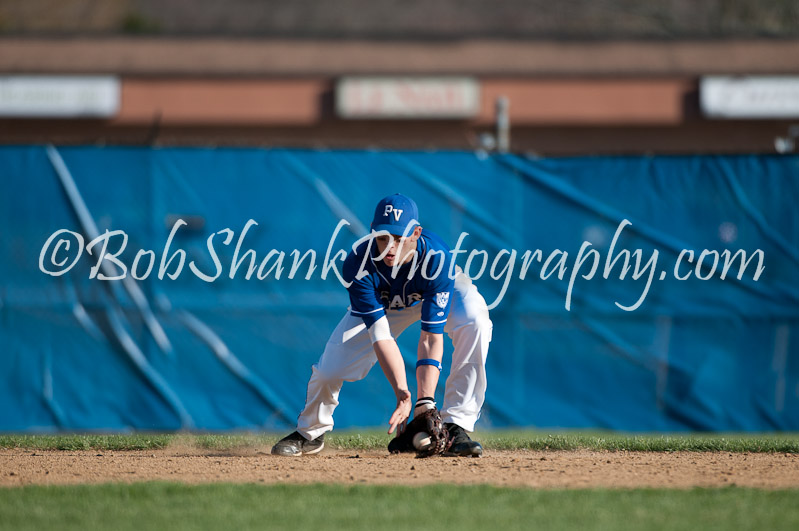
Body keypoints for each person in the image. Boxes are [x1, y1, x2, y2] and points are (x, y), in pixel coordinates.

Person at [271, 193, 492, 457]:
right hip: (385, 304)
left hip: (435, 291)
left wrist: (425, 401)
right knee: (331, 369)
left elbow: (430, 338)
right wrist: (403, 393)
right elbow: (381, 336)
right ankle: (310, 433)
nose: (389, 247)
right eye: (382, 237)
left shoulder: (437, 259)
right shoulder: (358, 263)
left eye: (398, 239)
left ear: (416, 233)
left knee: (475, 321)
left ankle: (456, 424)